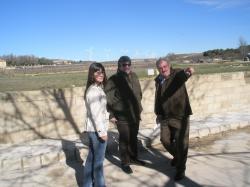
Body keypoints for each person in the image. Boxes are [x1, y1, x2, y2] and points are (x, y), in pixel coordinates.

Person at [154, 57, 194, 181]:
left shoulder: (176, 73)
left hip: (180, 116)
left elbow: (183, 76)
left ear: (169, 66)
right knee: (165, 140)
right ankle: (177, 156)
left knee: (182, 144)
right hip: (165, 116)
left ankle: (181, 169)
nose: (163, 69)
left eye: (165, 66)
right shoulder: (158, 80)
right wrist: (158, 114)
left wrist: (188, 72)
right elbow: (158, 99)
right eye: (160, 68)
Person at [104, 55, 145, 174]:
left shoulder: (134, 76)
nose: (126, 66)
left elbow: (139, 93)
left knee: (133, 138)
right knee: (124, 140)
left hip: (135, 114)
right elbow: (108, 99)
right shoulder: (113, 80)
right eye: (123, 64)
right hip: (122, 116)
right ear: (119, 66)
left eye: (128, 64)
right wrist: (111, 115)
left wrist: (138, 107)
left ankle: (133, 158)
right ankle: (125, 162)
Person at [83, 63, 109, 187]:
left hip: (92, 130)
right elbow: (96, 115)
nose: (101, 74)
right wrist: (102, 132)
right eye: (97, 72)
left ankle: (87, 184)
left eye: (102, 72)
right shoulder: (93, 91)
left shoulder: (96, 88)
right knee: (98, 163)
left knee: (91, 160)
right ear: (92, 74)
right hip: (97, 131)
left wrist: (110, 118)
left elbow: (99, 111)